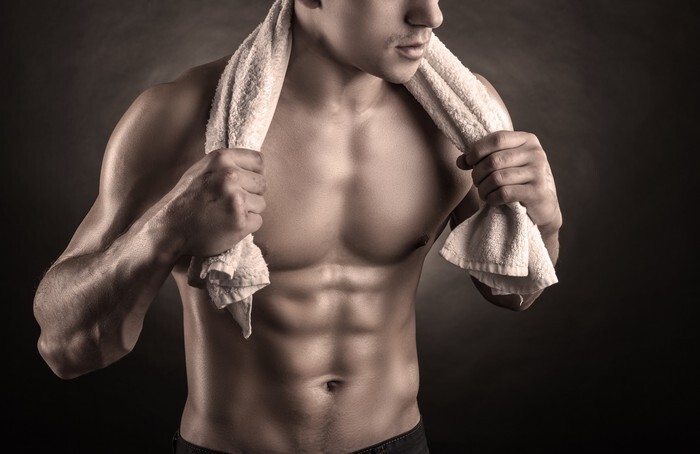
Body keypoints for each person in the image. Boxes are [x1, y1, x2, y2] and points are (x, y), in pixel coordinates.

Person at [33, 0, 562, 452]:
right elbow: (65, 347)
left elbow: (515, 291)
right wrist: (165, 229)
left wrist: (545, 220)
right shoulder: (179, 115)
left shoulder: (466, 119)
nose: (431, 14)